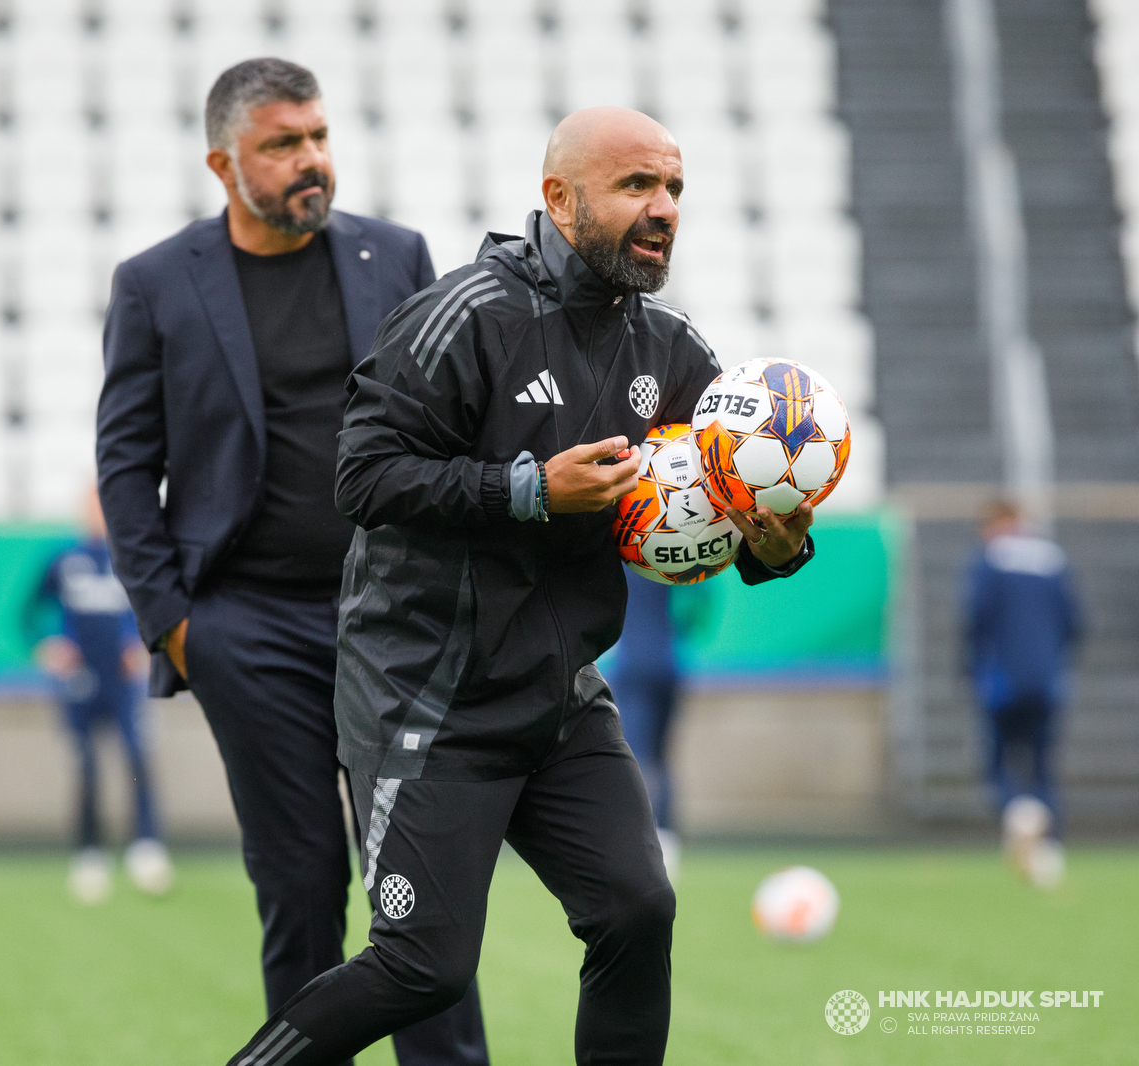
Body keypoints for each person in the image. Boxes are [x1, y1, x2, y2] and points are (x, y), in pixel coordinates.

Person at [223, 106, 819, 1066]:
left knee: (637, 907)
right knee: (424, 968)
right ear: (559, 197)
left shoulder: (673, 349)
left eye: (673, 189)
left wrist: (776, 541)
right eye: (636, 187)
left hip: (561, 699)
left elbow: (734, 529)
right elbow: (363, 478)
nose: (664, 208)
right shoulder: (463, 317)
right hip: (427, 697)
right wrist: (534, 489)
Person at [98, 58, 490, 1066]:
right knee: (302, 884)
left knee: (419, 892)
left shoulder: (397, 256)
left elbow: (456, 423)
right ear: (223, 163)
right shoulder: (154, 283)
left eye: (317, 137)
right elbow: (127, 463)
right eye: (283, 144)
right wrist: (178, 625)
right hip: (249, 628)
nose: (311, 159)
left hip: (397, 625)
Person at [25, 487, 171, 904]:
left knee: (137, 757)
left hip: (123, 683)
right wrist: (49, 644)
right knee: (87, 764)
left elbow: (156, 609)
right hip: (80, 682)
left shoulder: (130, 559)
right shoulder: (64, 559)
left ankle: (147, 848)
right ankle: (89, 854)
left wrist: (143, 644)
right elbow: (27, 613)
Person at [965, 499, 1080, 884]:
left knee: (1000, 760)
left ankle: (1018, 815)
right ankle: (1049, 851)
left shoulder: (991, 561)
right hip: (1047, 681)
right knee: (1043, 764)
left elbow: (976, 619)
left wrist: (971, 670)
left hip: (1002, 681)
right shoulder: (1052, 560)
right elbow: (1074, 622)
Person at [606, 570, 710, 887]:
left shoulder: (622, 554)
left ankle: (637, 851)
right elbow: (701, 600)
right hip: (669, 661)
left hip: (633, 665)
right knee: (661, 759)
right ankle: (666, 848)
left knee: (635, 759)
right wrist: (681, 632)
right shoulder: (668, 557)